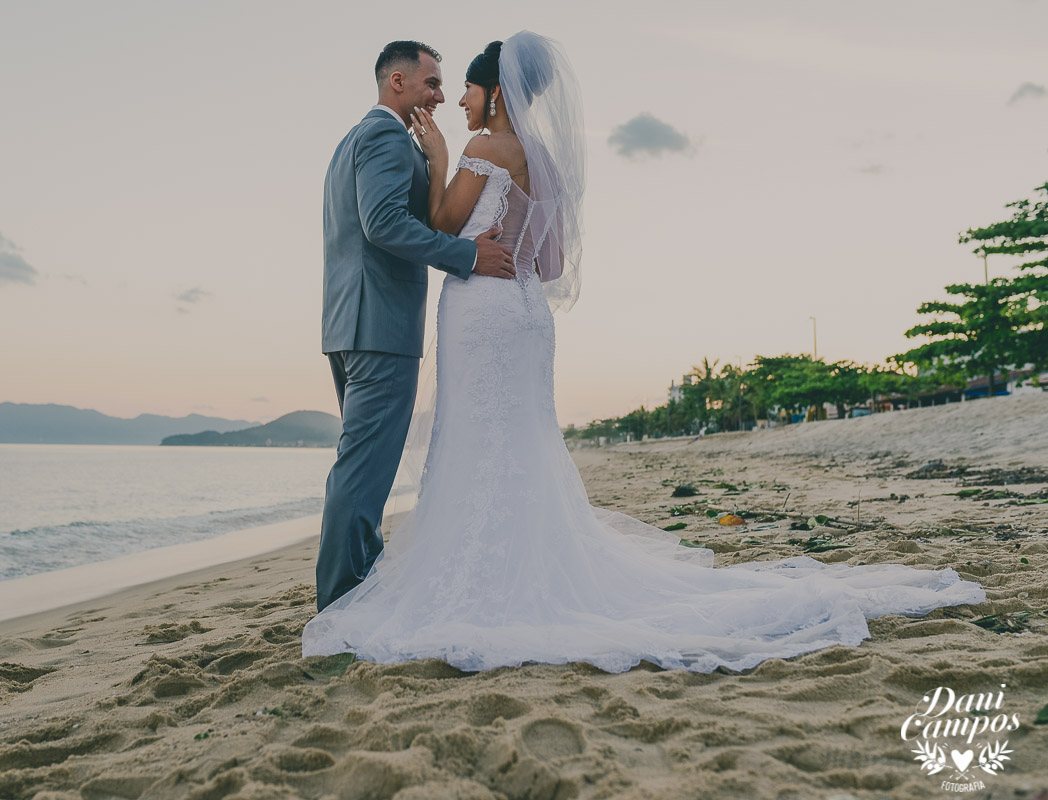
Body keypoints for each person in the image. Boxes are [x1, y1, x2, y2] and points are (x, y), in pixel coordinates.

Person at [304, 32, 987, 674]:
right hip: (521, 314)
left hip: (477, 315)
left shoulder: (481, 145)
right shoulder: (543, 159)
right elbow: (550, 261)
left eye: (463, 88)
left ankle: (388, 584)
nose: (452, 99)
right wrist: (483, 238)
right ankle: (472, 569)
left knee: (474, 444)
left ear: (497, 94)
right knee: (517, 442)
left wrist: (444, 164)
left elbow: (440, 225)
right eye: (435, 83)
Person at [316, 41, 515, 612]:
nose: (439, 94)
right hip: (379, 325)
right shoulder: (381, 136)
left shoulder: (352, 139)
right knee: (362, 471)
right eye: (430, 83)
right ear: (396, 82)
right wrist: (465, 255)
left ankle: (356, 588)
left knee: (360, 466)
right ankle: (341, 603)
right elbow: (382, 225)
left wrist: (433, 166)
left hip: (350, 323)